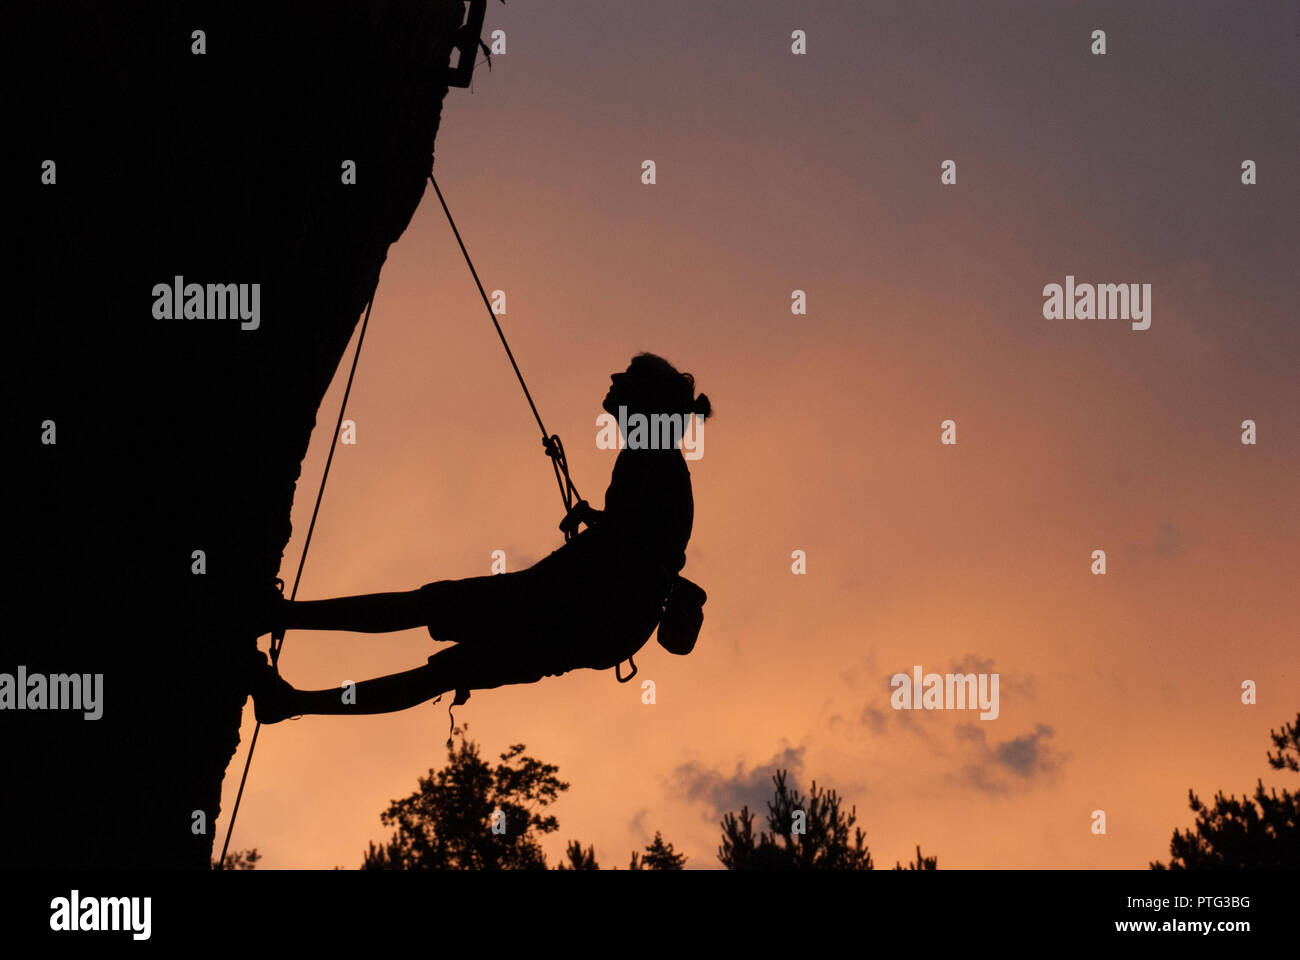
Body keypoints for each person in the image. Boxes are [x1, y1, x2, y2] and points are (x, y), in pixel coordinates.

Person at [249, 352, 710, 723]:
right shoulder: (654, 457)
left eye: (628, 375)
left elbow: (630, 544)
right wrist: (595, 522)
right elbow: (638, 540)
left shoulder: (651, 455)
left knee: (436, 628)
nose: (614, 376)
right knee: (443, 649)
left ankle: (283, 634)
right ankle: (286, 670)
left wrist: (597, 531)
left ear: (646, 398)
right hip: (592, 620)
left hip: (578, 612)